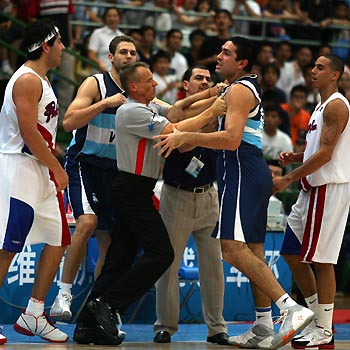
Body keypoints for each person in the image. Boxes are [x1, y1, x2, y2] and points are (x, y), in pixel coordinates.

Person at [153, 36, 314, 349]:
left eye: (226, 53)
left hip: (241, 169)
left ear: (242, 63)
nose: (218, 56)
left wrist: (185, 134)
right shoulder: (233, 88)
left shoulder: (239, 89)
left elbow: (230, 139)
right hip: (245, 172)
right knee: (252, 250)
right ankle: (263, 324)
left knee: (231, 248)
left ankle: (289, 307)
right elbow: (205, 112)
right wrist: (183, 121)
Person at [72, 61, 227, 346]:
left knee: (118, 262)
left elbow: (178, 109)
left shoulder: (147, 106)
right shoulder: (131, 111)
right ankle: (109, 304)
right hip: (131, 190)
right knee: (161, 253)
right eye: (149, 81)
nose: (156, 85)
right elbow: (175, 130)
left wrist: (209, 94)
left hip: (138, 191)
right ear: (134, 87)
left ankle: (86, 325)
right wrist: (213, 110)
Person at [49, 35, 137, 321]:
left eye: (133, 53)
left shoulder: (138, 92)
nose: (128, 56)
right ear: (110, 57)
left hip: (115, 171)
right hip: (84, 164)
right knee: (87, 221)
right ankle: (63, 294)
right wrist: (104, 103)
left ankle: (98, 305)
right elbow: (69, 122)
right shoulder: (95, 84)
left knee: (109, 242)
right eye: (123, 52)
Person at [0, 19, 70, 344]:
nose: (64, 48)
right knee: (7, 247)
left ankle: (34, 314)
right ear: (46, 45)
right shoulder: (27, 80)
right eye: (59, 42)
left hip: (40, 168)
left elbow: (42, 133)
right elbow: (28, 134)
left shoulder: (43, 78)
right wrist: (57, 167)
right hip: (20, 170)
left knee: (59, 238)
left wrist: (54, 160)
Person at [274, 53, 350, 349]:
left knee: (322, 260)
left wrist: (287, 177)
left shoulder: (335, 106)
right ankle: (314, 317)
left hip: (328, 187)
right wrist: (296, 156)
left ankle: (326, 329)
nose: (313, 70)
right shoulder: (320, 106)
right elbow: (323, 147)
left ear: (334, 74)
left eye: (320, 67)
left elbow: (328, 154)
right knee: (291, 251)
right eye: (313, 66)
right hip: (311, 187)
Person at [153, 65, 228, 345]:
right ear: (186, 84)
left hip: (209, 194)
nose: (205, 82)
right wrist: (211, 107)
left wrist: (213, 110)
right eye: (199, 78)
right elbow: (183, 145)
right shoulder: (174, 112)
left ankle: (217, 328)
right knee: (168, 265)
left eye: (209, 79)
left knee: (213, 266)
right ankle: (165, 326)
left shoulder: (218, 111)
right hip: (177, 195)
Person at [88, 7, 124, 74]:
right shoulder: (97, 33)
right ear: (105, 18)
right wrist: (100, 63)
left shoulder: (122, 35)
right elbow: (91, 55)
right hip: (100, 73)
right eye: (109, 16)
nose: (112, 18)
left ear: (119, 18)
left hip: (118, 74)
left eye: (115, 16)